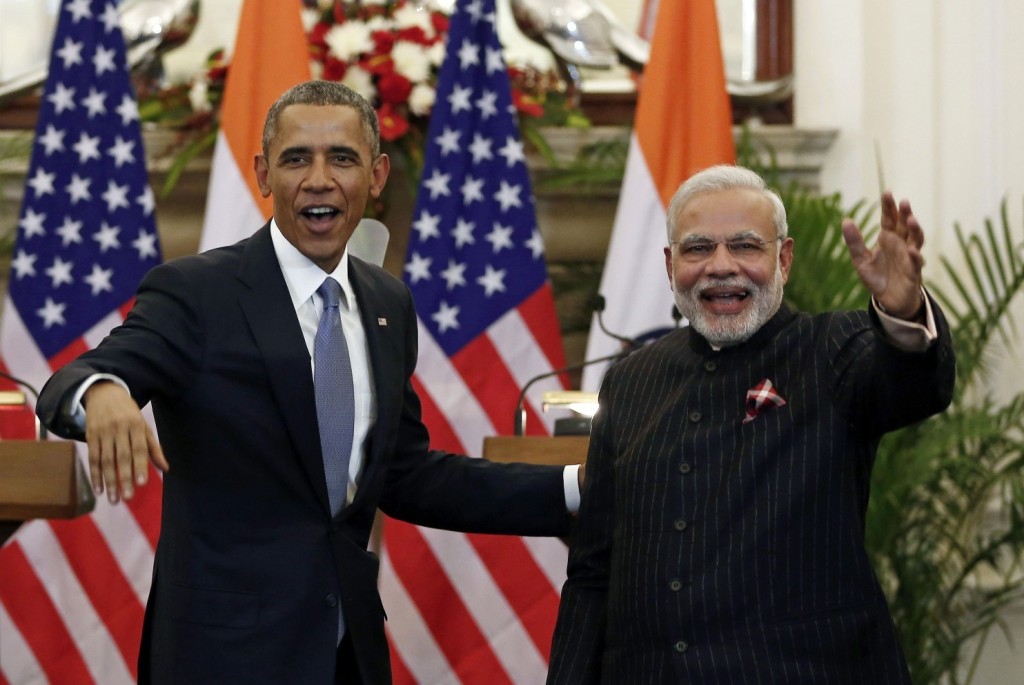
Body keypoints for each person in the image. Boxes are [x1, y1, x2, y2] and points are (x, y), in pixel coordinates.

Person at [36, 80, 580, 685]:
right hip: (222, 659)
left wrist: (575, 489)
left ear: (375, 177)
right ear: (264, 175)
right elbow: (79, 377)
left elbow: (406, 474)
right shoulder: (197, 291)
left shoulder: (386, 302)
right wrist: (103, 392)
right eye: (297, 159)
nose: (319, 179)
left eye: (341, 159)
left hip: (347, 652)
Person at [546, 164, 955, 684]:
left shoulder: (831, 350)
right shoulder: (630, 380)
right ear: (670, 266)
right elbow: (592, 569)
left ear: (783, 258)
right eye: (698, 249)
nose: (721, 266)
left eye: (745, 245)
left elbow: (915, 386)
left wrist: (902, 314)